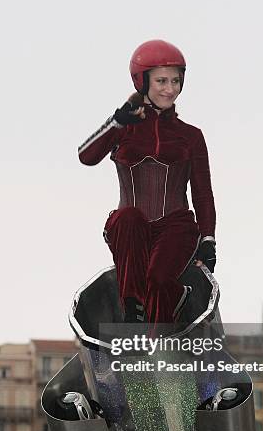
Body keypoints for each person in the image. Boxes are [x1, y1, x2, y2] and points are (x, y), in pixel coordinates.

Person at [78, 40, 216, 326]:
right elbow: (86, 156)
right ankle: (133, 309)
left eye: (176, 80)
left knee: (158, 280)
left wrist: (208, 240)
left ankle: (162, 348)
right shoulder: (124, 127)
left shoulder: (190, 135)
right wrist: (117, 121)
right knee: (128, 217)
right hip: (130, 231)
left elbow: (202, 193)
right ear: (142, 82)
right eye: (161, 81)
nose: (170, 88)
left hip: (175, 227)